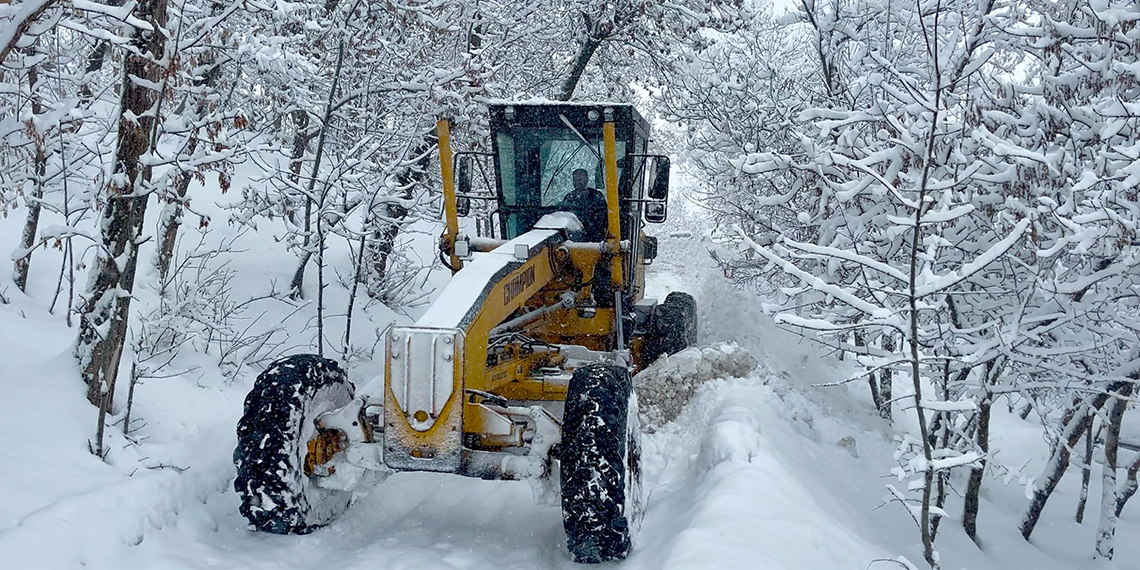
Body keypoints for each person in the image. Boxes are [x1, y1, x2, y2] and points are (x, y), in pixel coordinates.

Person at [557, 168, 609, 241]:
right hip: (572, 239)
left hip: (594, 240)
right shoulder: (568, 197)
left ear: (587, 180)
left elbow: (603, 218)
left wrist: (587, 222)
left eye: (579, 180)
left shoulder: (596, 196)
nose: (576, 183)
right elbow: (564, 215)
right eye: (574, 180)